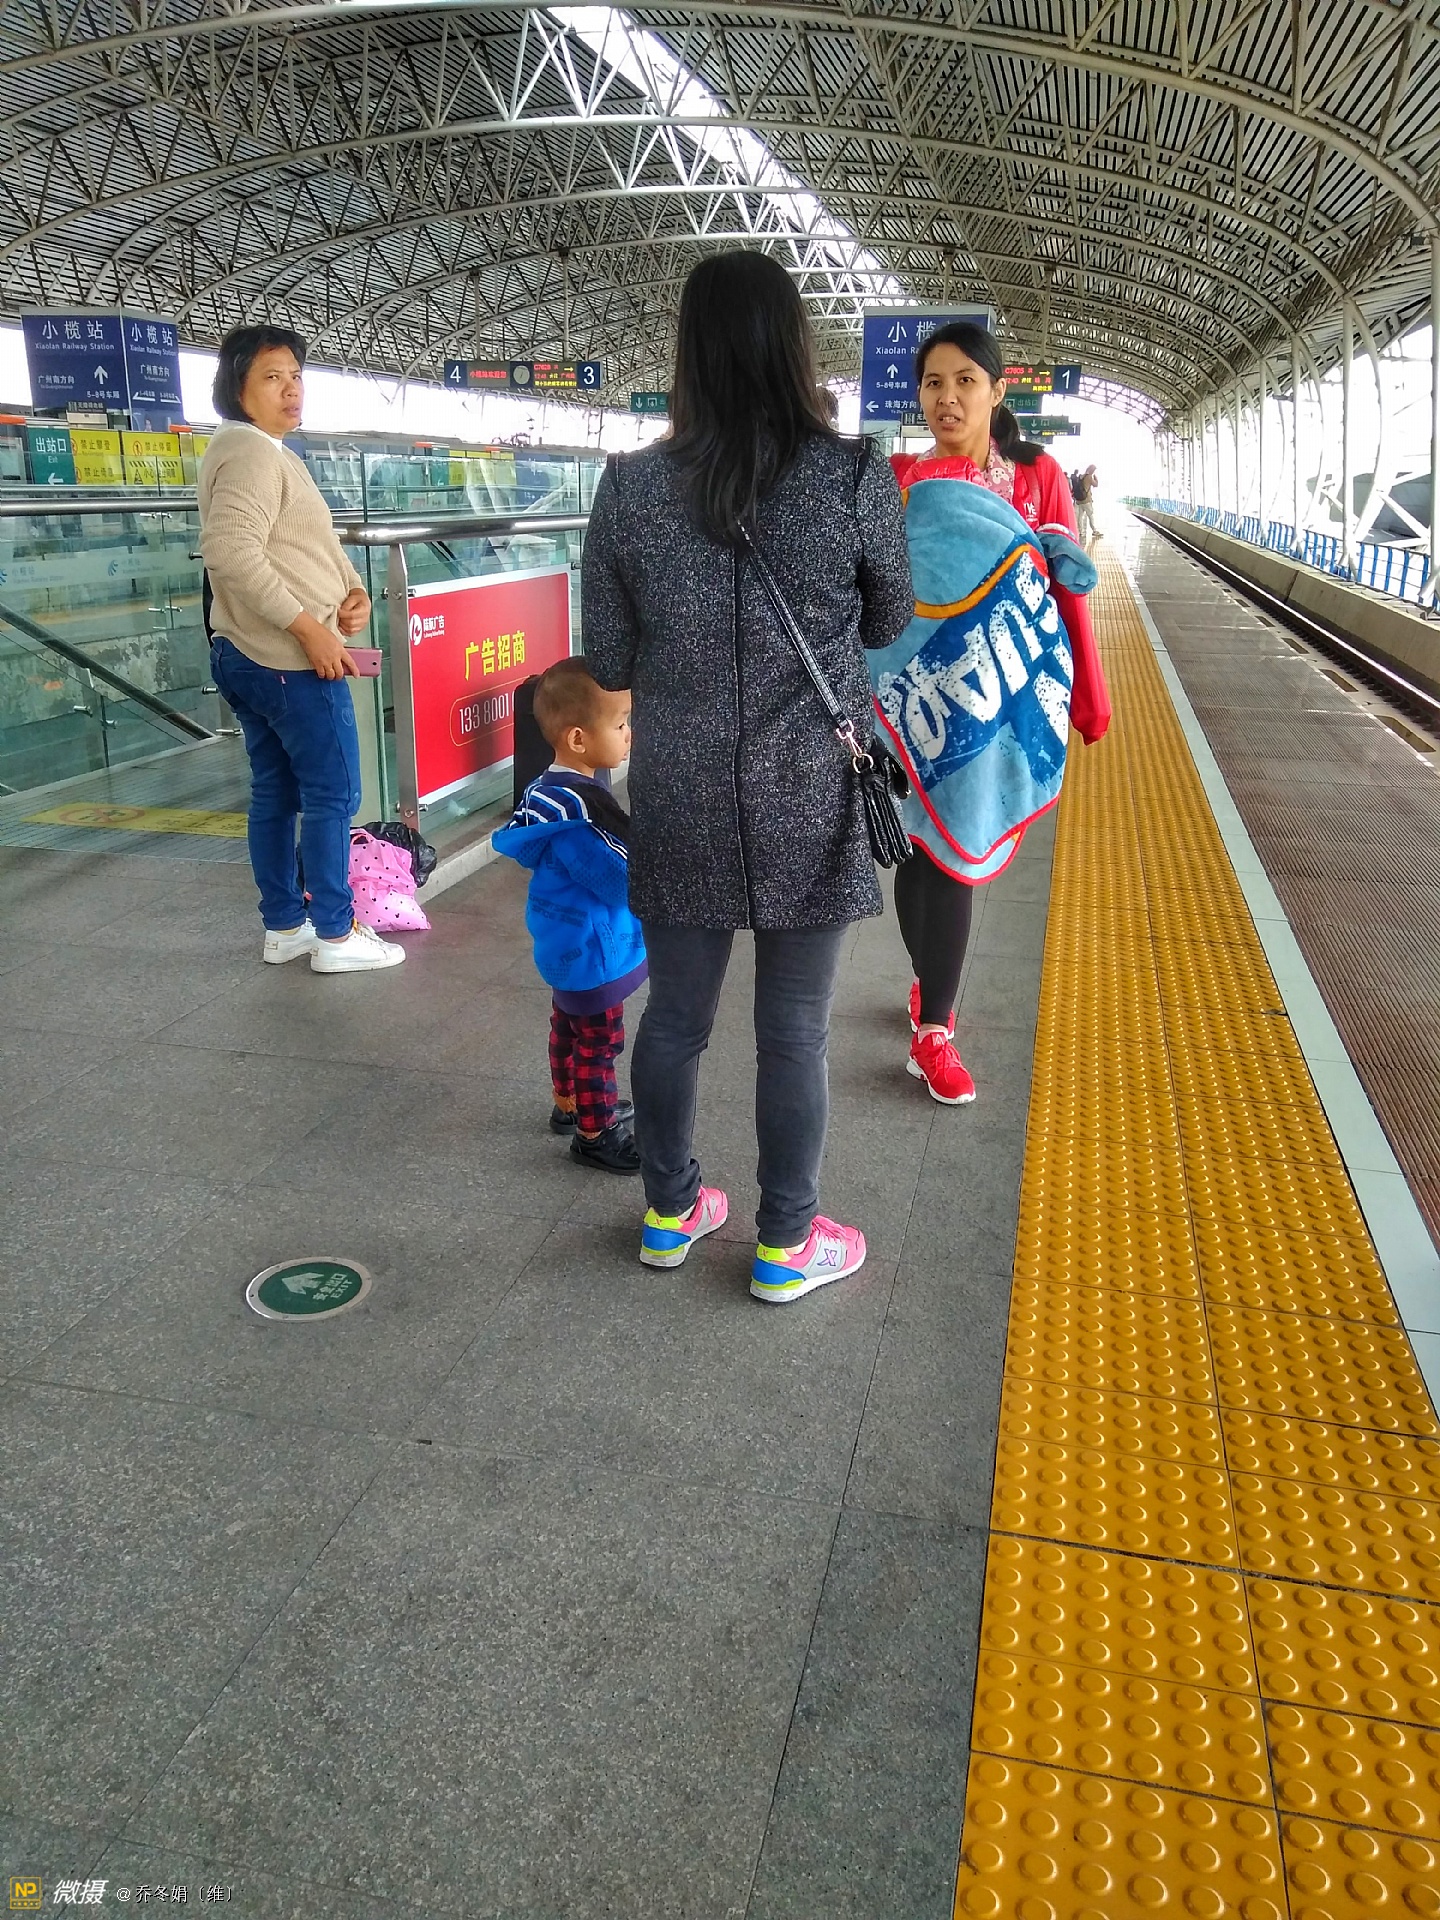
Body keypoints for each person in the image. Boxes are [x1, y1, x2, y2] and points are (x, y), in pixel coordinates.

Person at [582, 249, 912, 1304]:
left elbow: (610, 661)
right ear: (793, 345)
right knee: (794, 1032)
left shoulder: (630, 486)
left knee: (674, 1019)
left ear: (689, 351)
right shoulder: (852, 474)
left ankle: (670, 1214)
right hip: (808, 788)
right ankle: (785, 1243)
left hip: (679, 791)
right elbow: (887, 618)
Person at [883, 322, 1110, 1103]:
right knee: (918, 852)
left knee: (960, 852)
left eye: (964, 381)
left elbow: (1067, 592)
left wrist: (1090, 695)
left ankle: (933, 1028)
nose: (947, 398)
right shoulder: (898, 478)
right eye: (933, 383)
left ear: (996, 390)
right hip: (912, 695)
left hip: (1003, 692)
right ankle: (929, 991)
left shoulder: (1038, 476)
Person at [200, 324, 403, 972]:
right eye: (271, 377)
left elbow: (305, 544)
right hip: (288, 660)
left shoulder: (265, 450)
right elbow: (230, 551)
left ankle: (285, 926)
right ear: (237, 388)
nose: (291, 389)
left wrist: (351, 592)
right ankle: (336, 935)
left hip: (248, 652)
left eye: (295, 375)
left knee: (275, 792)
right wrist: (310, 629)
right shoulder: (253, 453)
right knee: (333, 794)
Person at [492, 660, 646, 1174]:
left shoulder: (546, 792)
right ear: (579, 738)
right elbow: (619, 879)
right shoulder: (580, 814)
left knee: (567, 1025)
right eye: (620, 723)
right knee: (600, 1041)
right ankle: (595, 1132)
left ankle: (570, 1102)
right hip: (593, 947)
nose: (629, 733)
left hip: (563, 942)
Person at [1072, 464, 1100, 543]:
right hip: (1086, 500)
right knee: (1090, 515)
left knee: (1080, 517)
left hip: (1079, 500)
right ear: (1092, 470)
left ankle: (1081, 532)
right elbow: (1096, 484)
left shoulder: (1081, 476)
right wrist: (1096, 478)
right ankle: (1094, 530)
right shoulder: (1089, 477)